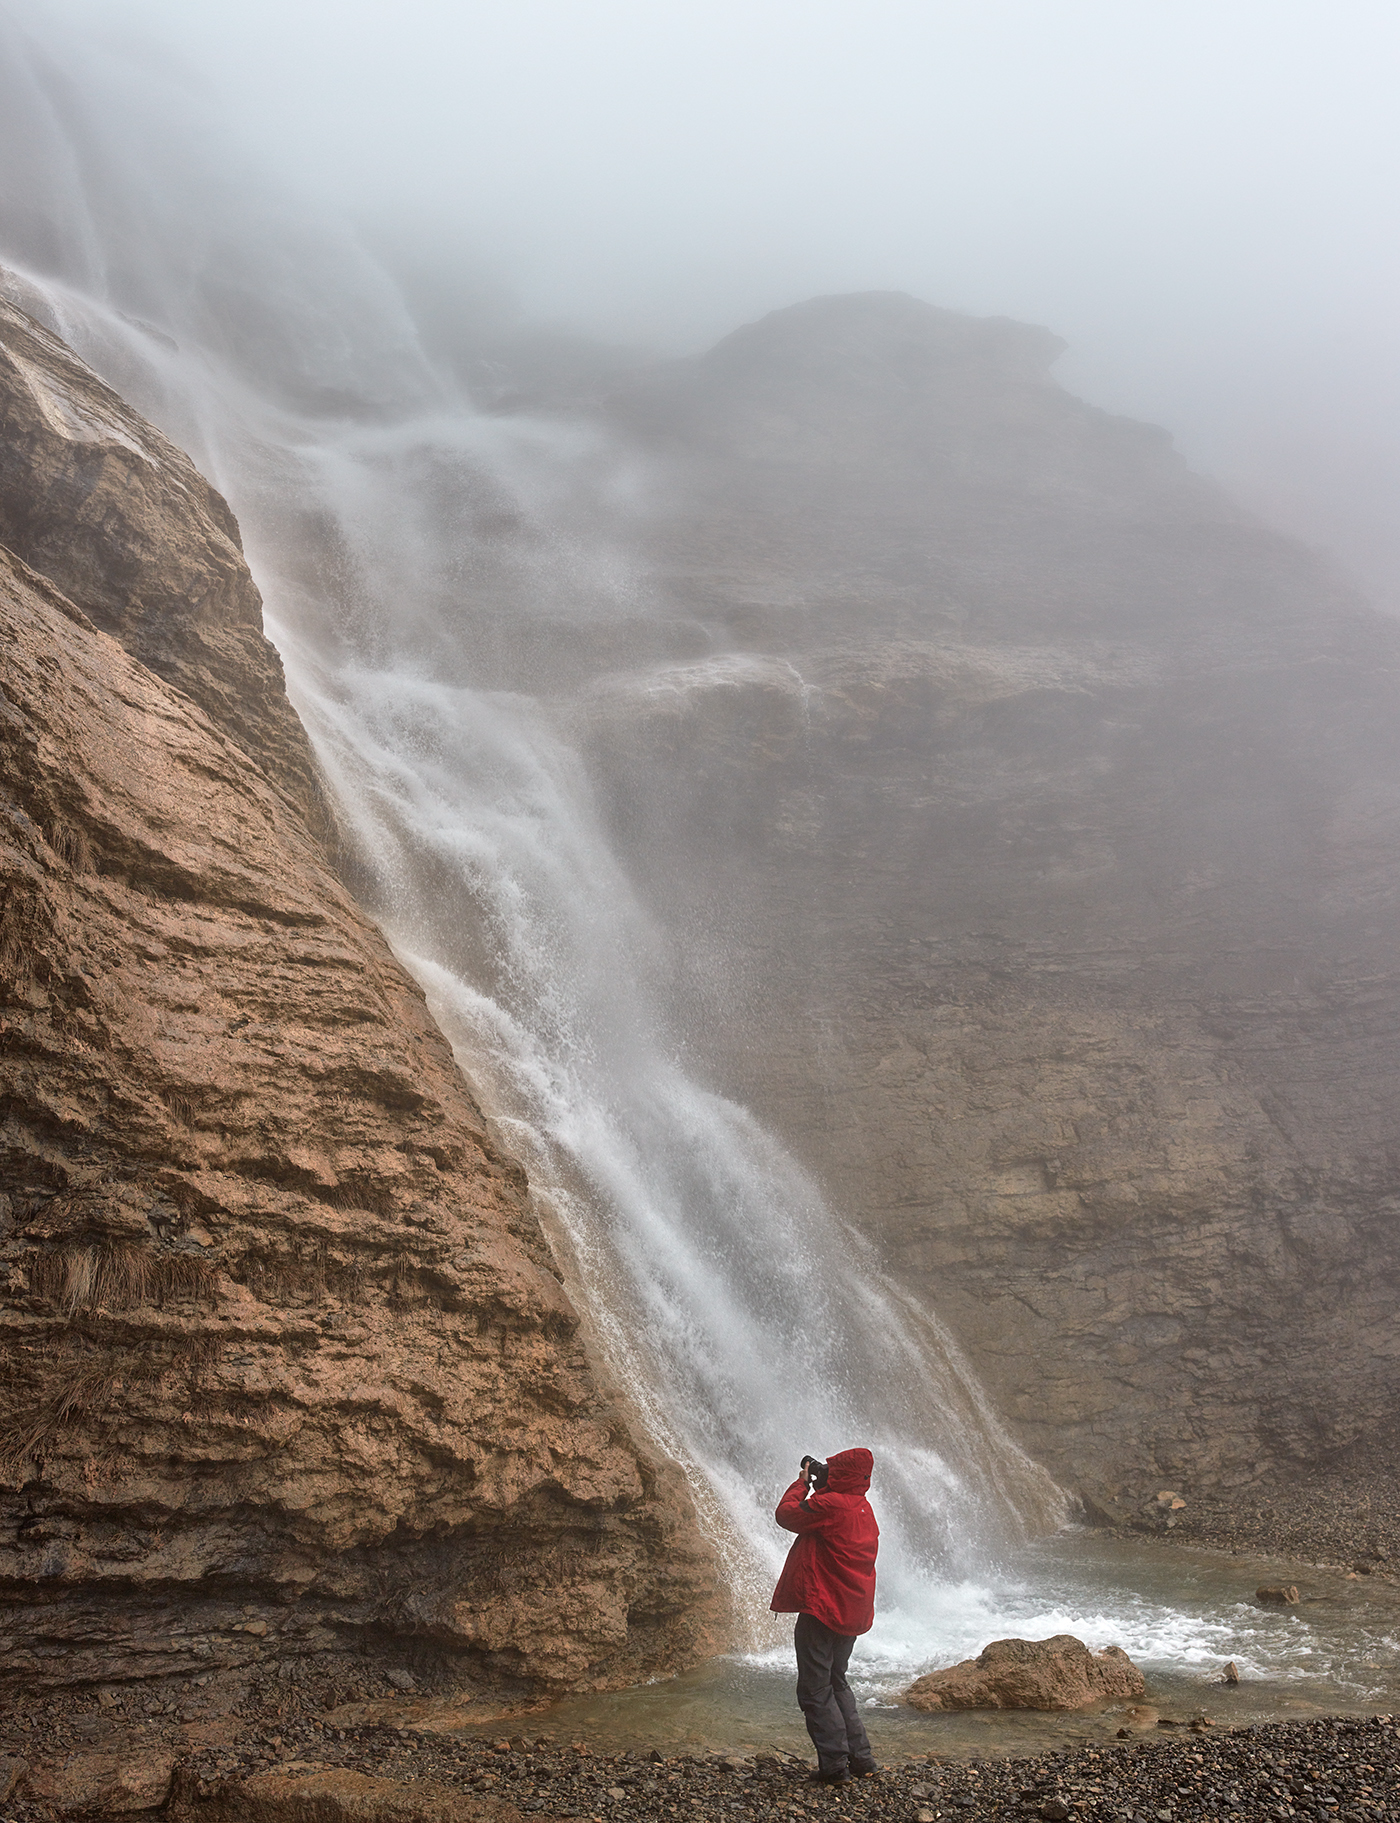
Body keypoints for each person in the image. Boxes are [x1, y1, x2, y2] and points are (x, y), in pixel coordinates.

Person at [770, 1447, 879, 1784]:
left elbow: (787, 1515)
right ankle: (861, 1760)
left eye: (832, 1469)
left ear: (842, 1475)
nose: (826, 1472)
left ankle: (833, 1766)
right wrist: (825, 1484)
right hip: (851, 1611)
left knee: (815, 1689)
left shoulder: (828, 1505)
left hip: (823, 1608)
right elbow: (828, 1511)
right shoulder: (862, 1506)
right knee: (837, 1680)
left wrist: (802, 1483)